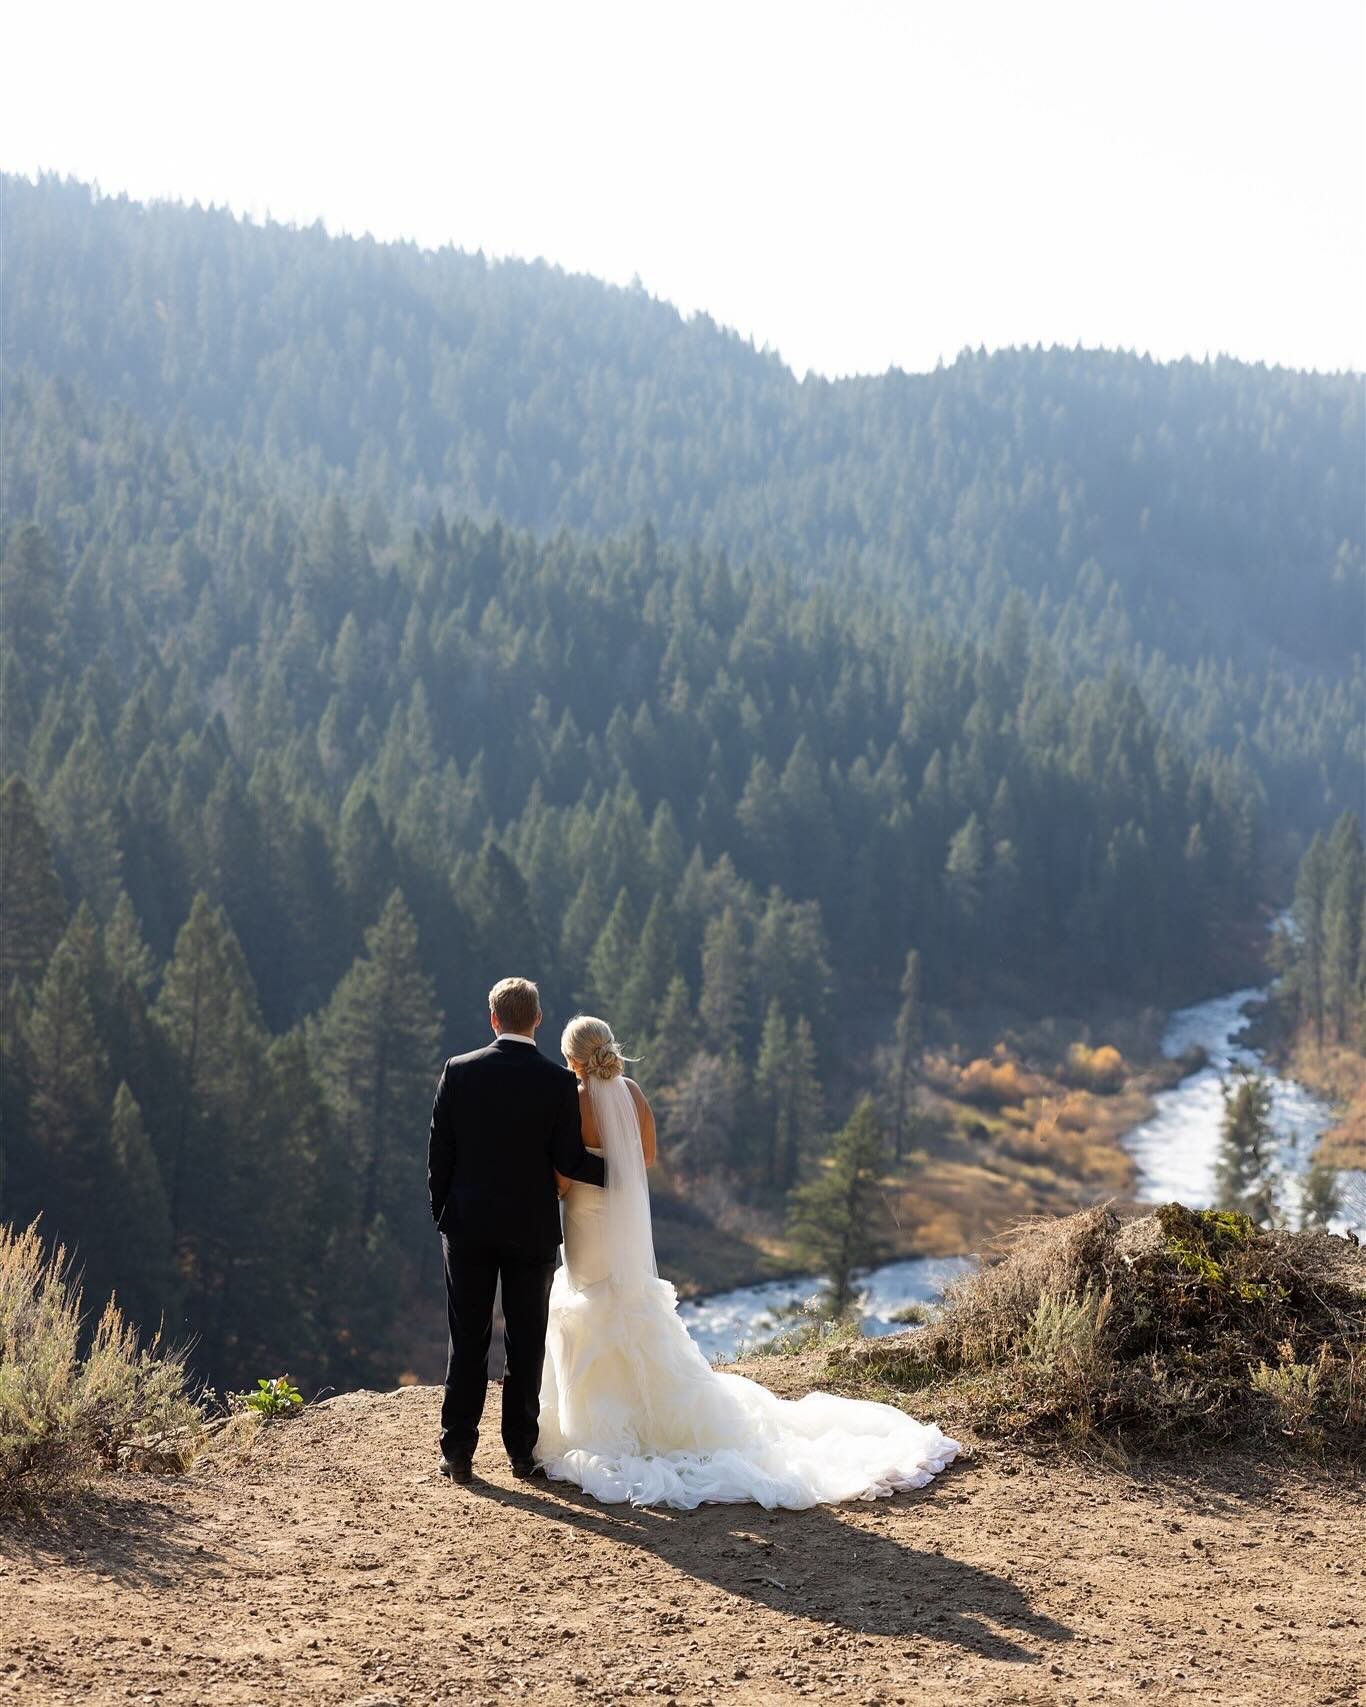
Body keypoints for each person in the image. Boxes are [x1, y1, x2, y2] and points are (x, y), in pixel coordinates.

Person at [535, 1014, 960, 1509]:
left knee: (588, 1302)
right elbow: (645, 1159)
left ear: (572, 1058)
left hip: (585, 1217)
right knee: (628, 1301)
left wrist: (564, 1186)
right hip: (622, 1218)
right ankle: (651, 1415)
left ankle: (594, 1420)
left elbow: (563, 1169)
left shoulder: (571, 1099)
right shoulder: (633, 1094)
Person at [427, 976, 605, 1483]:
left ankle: (457, 1452)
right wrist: (620, 1173)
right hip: (531, 1230)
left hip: (467, 1229)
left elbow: (440, 1153)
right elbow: (568, 1160)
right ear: (538, 1020)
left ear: (493, 1019)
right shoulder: (556, 1082)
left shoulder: (458, 1071)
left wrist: (443, 1215)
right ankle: (521, 1454)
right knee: (526, 1342)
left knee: (468, 1339)